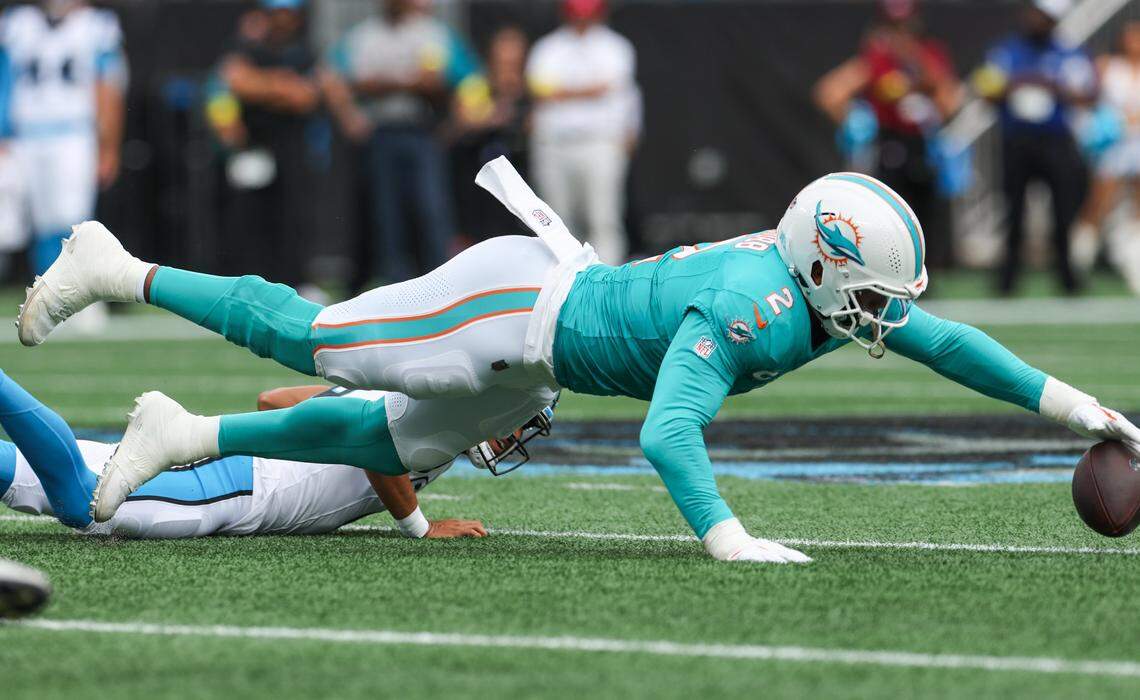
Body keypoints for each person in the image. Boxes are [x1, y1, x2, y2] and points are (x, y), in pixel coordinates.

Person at [18, 160, 1139, 564]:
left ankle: (187, 435)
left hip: (542, 356)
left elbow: (948, 343)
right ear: (826, 263)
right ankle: (121, 265)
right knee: (311, 338)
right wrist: (728, 537)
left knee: (383, 440)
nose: (886, 315)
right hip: (510, 307)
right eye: (875, 290)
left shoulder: (804, 287)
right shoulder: (752, 305)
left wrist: (1080, 404)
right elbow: (664, 431)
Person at [0, 369, 553, 539]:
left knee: (34, 478)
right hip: (235, 487)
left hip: (237, 473)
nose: (511, 437)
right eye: (516, 423)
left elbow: (276, 401)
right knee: (81, 504)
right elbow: (378, 449)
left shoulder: (412, 394)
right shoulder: (431, 420)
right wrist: (420, 527)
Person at [321, 0, 478, 283]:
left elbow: (467, 78)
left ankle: (443, 282)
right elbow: (330, 76)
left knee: (431, 210)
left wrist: (457, 124)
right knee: (387, 214)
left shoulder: (432, 34)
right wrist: (350, 117)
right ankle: (396, 283)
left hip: (422, 132)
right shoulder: (364, 36)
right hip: (381, 134)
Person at [814, 0, 962, 270]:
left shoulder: (929, 55)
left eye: (906, 27)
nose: (901, 34)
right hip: (890, 143)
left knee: (926, 213)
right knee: (889, 211)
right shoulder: (876, 59)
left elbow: (949, 101)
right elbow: (830, 93)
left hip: (923, 146)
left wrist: (917, 69)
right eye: (894, 27)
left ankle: (927, 272)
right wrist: (858, 121)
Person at [974, 0, 1097, 295]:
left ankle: (1067, 277)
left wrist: (1054, 87)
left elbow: (1088, 93)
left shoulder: (1067, 53)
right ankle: (1008, 279)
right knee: (1013, 211)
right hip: (1017, 142)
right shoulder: (1006, 50)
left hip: (1055, 142)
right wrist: (1015, 85)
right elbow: (986, 90)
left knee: (1063, 211)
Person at [0, 0, 126, 276]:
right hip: (26, 135)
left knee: (74, 220)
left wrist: (109, 147)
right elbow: (5, 80)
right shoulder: (17, 23)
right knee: (39, 222)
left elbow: (109, 87)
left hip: (74, 133)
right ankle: (46, 290)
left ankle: (80, 290)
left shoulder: (97, 25)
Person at [205, 0, 321, 289]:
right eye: (276, 14)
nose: (282, 20)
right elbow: (232, 82)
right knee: (249, 219)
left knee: (293, 218)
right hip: (253, 147)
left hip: (293, 149)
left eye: (288, 14)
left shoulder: (304, 54)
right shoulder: (246, 49)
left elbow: (304, 97)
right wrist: (279, 85)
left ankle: (296, 282)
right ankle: (249, 281)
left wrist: (258, 86)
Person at [526, 0, 639, 265]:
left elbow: (619, 91)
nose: (582, 20)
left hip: (599, 143)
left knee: (604, 219)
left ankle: (607, 286)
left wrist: (562, 93)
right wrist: (588, 91)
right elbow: (539, 90)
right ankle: (561, 287)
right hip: (554, 144)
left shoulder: (616, 47)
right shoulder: (547, 48)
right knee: (556, 223)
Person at [1070, 20, 1140, 294]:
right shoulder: (1108, 66)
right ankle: (1076, 265)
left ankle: (1134, 266)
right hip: (1113, 146)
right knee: (1097, 205)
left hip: (1138, 145)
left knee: (1138, 211)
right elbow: (1085, 98)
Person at [447, 26, 532, 243]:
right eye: (502, 56)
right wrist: (492, 117)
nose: (507, 63)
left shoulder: (534, 86)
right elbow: (459, 124)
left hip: (524, 175)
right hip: (482, 176)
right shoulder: (476, 86)